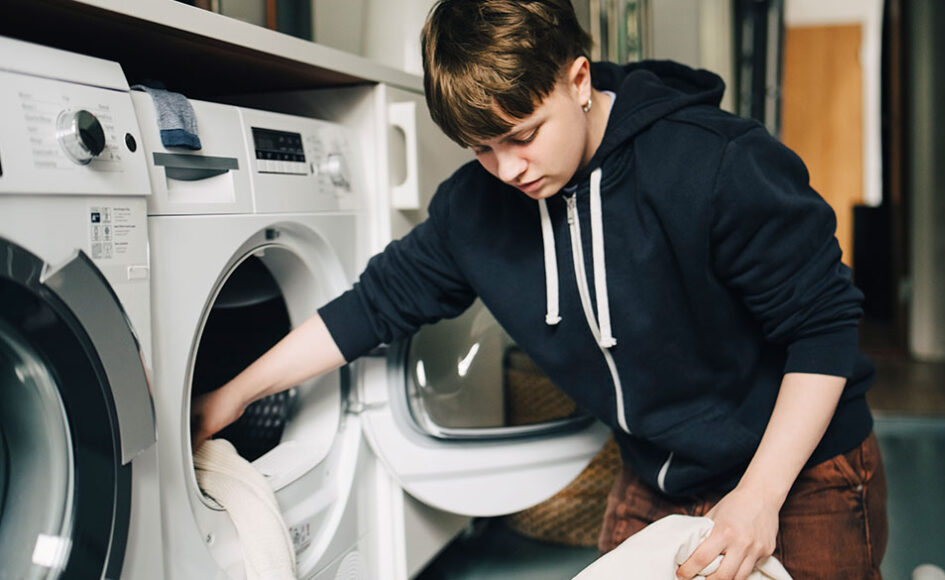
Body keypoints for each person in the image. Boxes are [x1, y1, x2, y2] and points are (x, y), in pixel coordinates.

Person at [192, 1, 888, 578]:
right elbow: (373, 303)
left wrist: (757, 499)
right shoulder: (475, 209)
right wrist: (231, 396)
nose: (507, 170)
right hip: (660, 473)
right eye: (481, 149)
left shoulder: (712, 162)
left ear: (577, 78)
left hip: (801, 467)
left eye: (522, 136)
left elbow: (821, 328)